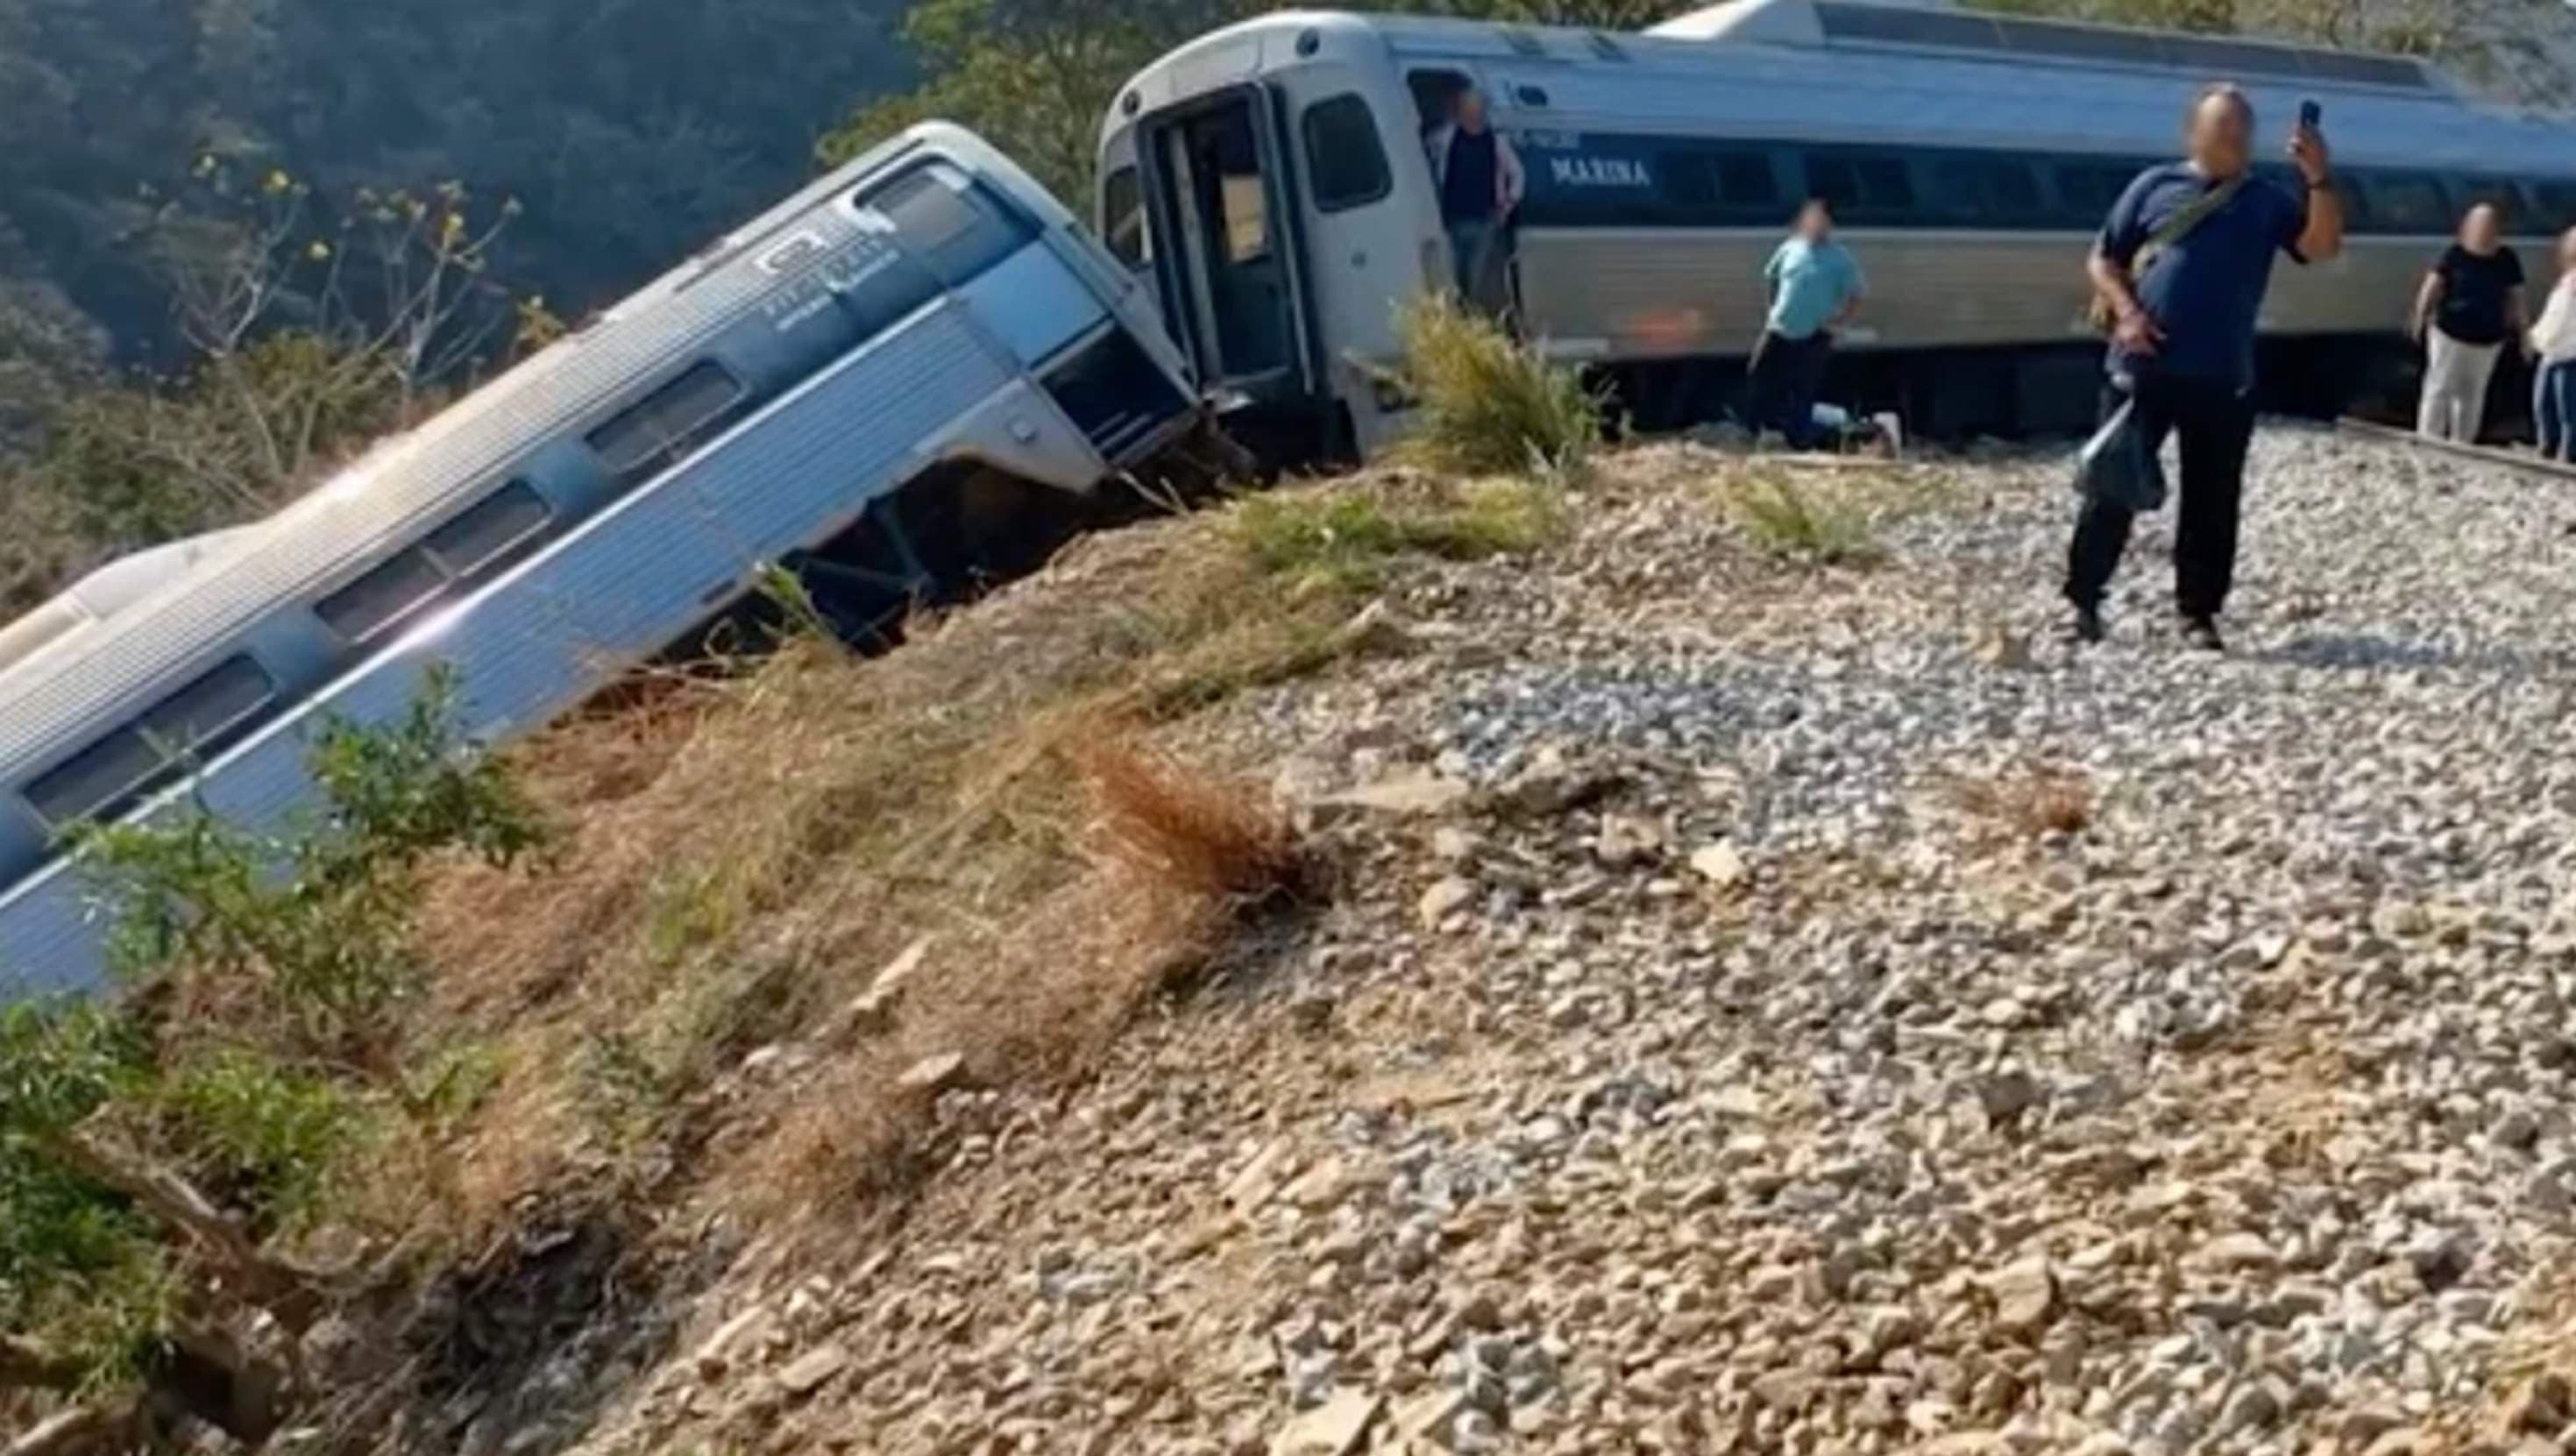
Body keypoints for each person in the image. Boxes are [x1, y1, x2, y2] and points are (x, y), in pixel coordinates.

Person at [2064, 83, 2342, 652]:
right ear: (2193, 132)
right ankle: (2082, 601)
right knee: (2111, 485)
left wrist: (2317, 179)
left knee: (2212, 497)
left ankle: (2197, 612)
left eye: (2242, 130)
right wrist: (2127, 313)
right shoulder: (2152, 186)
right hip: (2141, 364)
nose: (2236, 140)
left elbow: (2320, 247)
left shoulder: (2264, 200)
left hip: (2222, 371)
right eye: (2223, 129)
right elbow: (2104, 258)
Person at [1746, 197, 1865, 449]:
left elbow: (1857, 294)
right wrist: (1772, 310)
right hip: (1778, 328)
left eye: (1818, 218)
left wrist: (1839, 324)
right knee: (1759, 375)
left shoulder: (1840, 258)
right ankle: (1759, 428)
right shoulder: (1790, 248)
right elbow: (1772, 276)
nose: (1812, 222)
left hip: (1815, 333)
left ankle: (1797, 439)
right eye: (1809, 217)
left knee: (1803, 388)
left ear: (1829, 223)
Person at [2410, 202, 2526, 444]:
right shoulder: (2454, 254)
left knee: (2472, 392)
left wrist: (2523, 333)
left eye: (2489, 225)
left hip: (2488, 338)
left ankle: (2463, 442)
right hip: (2449, 332)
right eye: (2479, 224)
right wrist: (2420, 316)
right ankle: (2428, 438)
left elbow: (2516, 297)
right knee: (2439, 386)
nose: (2484, 230)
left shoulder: (2506, 259)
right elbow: (2431, 287)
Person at [1423, 88, 1524, 314]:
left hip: (1484, 221)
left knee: (1475, 278)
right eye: (1467, 108)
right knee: (1454, 275)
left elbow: (1517, 174)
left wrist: (1507, 205)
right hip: (1452, 219)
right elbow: (1428, 150)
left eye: (1475, 108)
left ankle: (1470, 318)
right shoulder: (1446, 137)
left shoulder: (1497, 142)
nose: (1472, 113)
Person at [2532, 228, 2576, 464]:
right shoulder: (2566, 280)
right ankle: (2546, 448)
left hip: (2571, 354)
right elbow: (2554, 316)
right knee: (2543, 406)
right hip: (2552, 351)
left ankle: (2566, 456)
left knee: (2568, 411)